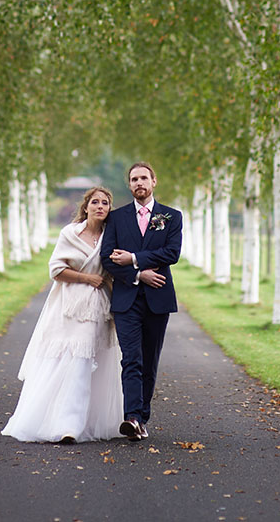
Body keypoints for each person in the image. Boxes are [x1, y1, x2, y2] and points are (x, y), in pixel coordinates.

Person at [2, 187, 123, 444]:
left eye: (105, 203)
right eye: (95, 202)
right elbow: (56, 270)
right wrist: (86, 278)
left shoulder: (112, 236)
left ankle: (86, 421)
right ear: (86, 206)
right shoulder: (70, 233)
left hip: (100, 307)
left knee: (93, 360)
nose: (100, 207)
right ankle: (66, 424)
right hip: (68, 304)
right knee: (72, 359)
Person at [100, 162, 183, 441]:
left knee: (149, 361)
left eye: (143, 178)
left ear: (153, 181)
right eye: (134, 179)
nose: (139, 183)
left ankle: (143, 417)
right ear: (129, 185)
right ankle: (132, 418)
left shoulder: (171, 216)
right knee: (131, 359)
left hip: (158, 299)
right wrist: (138, 274)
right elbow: (107, 258)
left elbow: (171, 252)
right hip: (126, 299)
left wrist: (134, 259)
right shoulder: (116, 218)